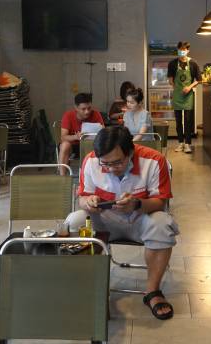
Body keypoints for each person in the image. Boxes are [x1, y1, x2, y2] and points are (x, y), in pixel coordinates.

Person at [65, 126, 178, 320]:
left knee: (163, 224)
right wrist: (89, 202)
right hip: (105, 220)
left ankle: (152, 292)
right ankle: (89, 286)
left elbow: (160, 202)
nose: (110, 168)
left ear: (131, 152)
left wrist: (137, 204)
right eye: (105, 163)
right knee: (74, 221)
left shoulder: (153, 160)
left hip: (140, 219)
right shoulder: (91, 161)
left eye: (117, 162)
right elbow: (82, 197)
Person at [167, 41, 200, 154]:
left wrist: (189, 87)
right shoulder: (172, 63)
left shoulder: (193, 63)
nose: (182, 51)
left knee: (188, 120)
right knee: (178, 121)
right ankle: (180, 143)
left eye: (184, 49)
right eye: (180, 49)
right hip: (177, 95)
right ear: (178, 50)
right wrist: (176, 87)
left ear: (188, 50)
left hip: (188, 95)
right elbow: (170, 80)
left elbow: (198, 80)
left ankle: (188, 144)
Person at [58, 93, 105, 170]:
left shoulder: (96, 114)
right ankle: (62, 178)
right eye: (83, 109)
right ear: (76, 107)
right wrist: (75, 137)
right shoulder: (68, 115)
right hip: (74, 147)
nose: (87, 112)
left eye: (89, 108)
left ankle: (98, 173)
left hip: (90, 145)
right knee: (65, 145)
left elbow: (103, 132)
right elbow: (63, 137)